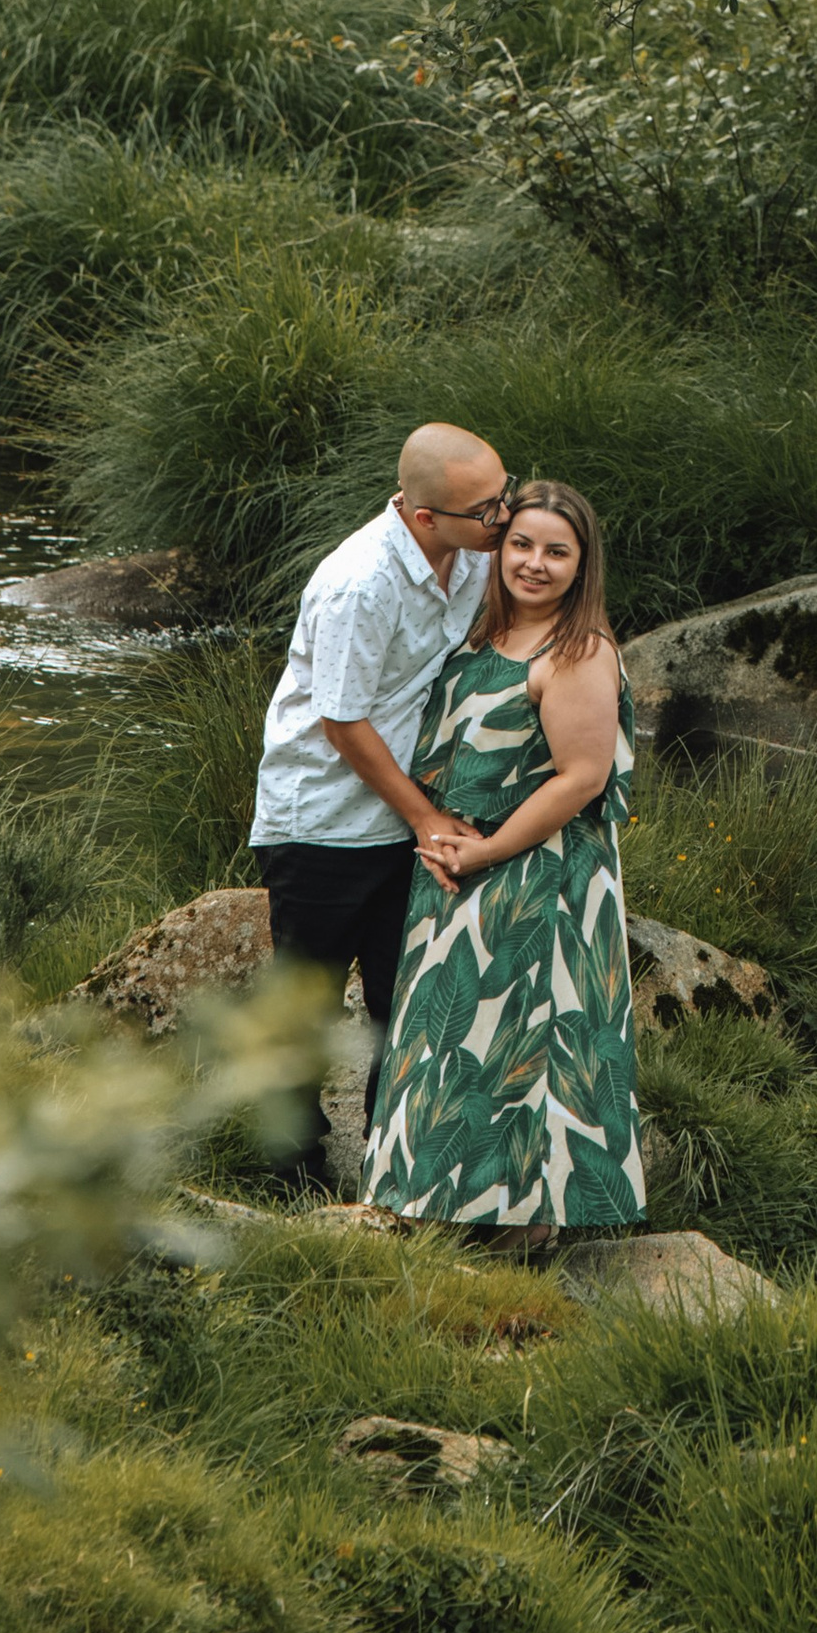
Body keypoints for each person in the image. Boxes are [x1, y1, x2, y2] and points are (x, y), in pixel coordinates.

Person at [364, 479, 645, 1237]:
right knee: (453, 1039)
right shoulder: (487, 632)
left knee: (529, 1041)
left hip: (537, 873)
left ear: (582, 566)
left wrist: (487, 848)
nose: (534, 563)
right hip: (463, 864)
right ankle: (439, 1208)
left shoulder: (578, 650)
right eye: (521, 544)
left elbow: (582, 777)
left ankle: (530, 1224)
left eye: (558, 552)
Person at [246, 420, 510, 1191]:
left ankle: (397, 1163)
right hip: (321, 822)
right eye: (487, 511)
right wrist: (428, 816)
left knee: (407, 998)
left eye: (505, 497)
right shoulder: (359, 582)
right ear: (423, 516)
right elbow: (342, 722)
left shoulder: (465, 558)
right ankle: (286, 1172)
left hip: (401, 819)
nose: (505, 519)